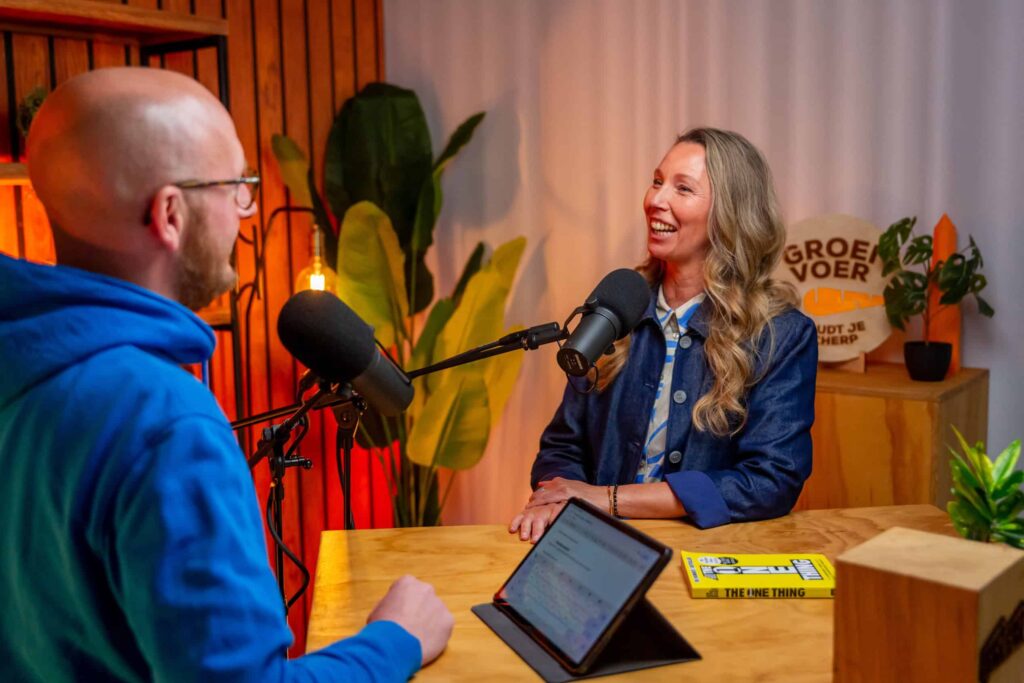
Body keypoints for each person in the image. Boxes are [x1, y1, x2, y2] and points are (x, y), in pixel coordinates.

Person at [0, 67, 452, 681]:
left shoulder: (22, 368)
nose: (251, 207)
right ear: (170, 213)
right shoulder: (160, 419)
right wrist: (394, 639)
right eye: (237, 185)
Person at [510, 127, 817, 542]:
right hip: (595, 546)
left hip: (704, 550)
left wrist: (605, 499)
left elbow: (770, 482)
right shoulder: (616, 308)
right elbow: (562, 446)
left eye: (683, 189)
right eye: (657, 181)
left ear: (730, 214)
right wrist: (558, 496)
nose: (656, 200)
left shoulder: (781, 334)